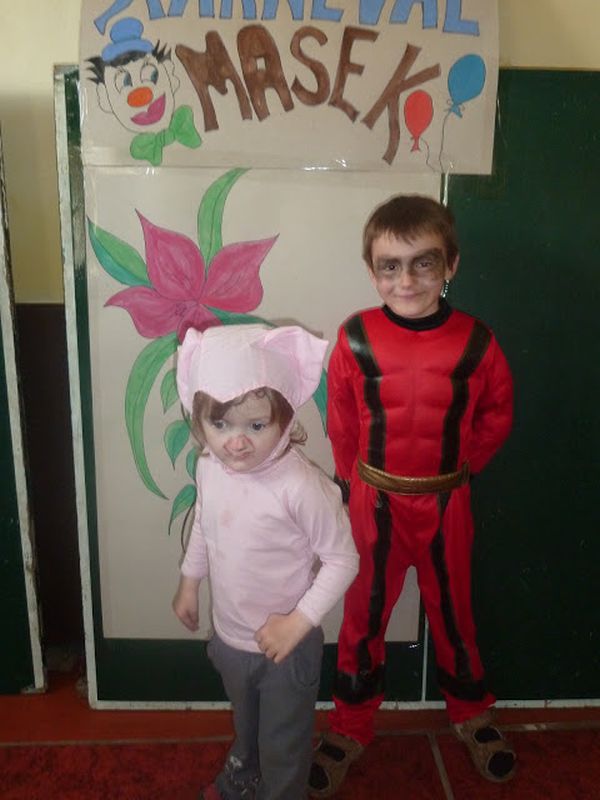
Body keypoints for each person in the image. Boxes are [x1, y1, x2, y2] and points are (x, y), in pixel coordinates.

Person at [309, 194, 516, 797]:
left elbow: (497, 414)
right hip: (374, 504)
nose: (406, 280)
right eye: (390, 266)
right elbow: (340, 417)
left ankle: (470, 713)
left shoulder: (477, 341)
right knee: (362, 616)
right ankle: (349, 725)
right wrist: (353, 480)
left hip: (448, 504)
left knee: (455, 613)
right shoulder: (355, 337)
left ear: (451, 264)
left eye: (423, 263)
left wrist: (461, 471)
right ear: (372, 270)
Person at [172, 323, 359, 800]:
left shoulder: (300, 487)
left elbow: (343, 559)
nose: (236, 443)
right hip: (231, 638)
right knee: (247, 724)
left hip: (287, 650)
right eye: (220, 425)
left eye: (256, 426)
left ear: (285, 417)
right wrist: (190, 581)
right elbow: (206, 526)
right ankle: (243, 777)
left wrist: (298, 623)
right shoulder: (209, 469)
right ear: (199, 419)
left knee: (283, 743)